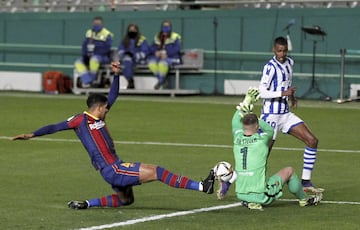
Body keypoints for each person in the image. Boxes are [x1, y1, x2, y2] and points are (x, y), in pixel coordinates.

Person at [12, 61, 215, 209]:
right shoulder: (79, 120)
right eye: (105, 108)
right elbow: (54, 127)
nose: (108, 110)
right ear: (98, 107)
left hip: (113, 168)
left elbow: (113, 95)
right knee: (158, 172)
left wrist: (116, 75)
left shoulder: (98, 118)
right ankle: (201, 186)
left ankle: (86, 204)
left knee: (127, 200)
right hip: (113, 169)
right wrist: (32, 134)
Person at [218, 90, 322, 210]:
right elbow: (269, 130)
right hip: (261, 195)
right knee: (289, 171)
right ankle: (304, 199)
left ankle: (249, 201)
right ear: (257, 126)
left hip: (240, 194)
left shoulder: (237, 138)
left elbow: (235, 121)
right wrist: (257, 118)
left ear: (242, 126)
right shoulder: (262, 140)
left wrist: (246, 101)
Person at [258, 36, 324, 193]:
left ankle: (306, 183)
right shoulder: (270, 67)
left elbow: (286, 83)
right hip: (270, 116)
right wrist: (283, 93)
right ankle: (234, 180)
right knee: (261, 155)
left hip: (285, 114)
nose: (282, 54)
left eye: (285, 50)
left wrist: (291, 97)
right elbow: (262, 92)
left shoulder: (290, 63)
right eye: (279, 50)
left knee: (312, 140)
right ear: (274, 50)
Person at [74, 16, 114, 88]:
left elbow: (107, 48)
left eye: (98, 23)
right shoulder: (89, 32)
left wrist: (94, 53)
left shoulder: (107, 34)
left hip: (102, 57)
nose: (96, 25)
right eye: (95, 23)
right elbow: (84, 45)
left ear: (102, 24)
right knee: (78, 62)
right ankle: (87, 80)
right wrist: (85, 55)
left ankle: (93, 79)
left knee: (94, 60)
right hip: (88, 56)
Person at [148, 20, 182, 90]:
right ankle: (162, 80)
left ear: (170, 27)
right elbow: (152, 48)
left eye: (167, 26)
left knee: (162, 64)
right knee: (151, 64)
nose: (165, 27)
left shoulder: (175, 36)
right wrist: (155, 52)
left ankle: (160, 81)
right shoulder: (157, 36)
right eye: (164, 26)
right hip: (159, 57)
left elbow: (177, 48)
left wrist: (167, 54)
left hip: (172, 57)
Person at [117, 23, 150, 89]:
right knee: (125, 61)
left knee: (126, 62)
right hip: (126, 59)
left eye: (133, 30)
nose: (132, 31)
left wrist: (134, 55)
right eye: (130, 29)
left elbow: (145, 52)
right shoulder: (125, 40)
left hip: (138, 60)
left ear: (137, 30)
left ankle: (130, 80)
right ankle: (130, 80)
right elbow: (120, 51)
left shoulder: (142, 40)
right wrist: (125, 53)